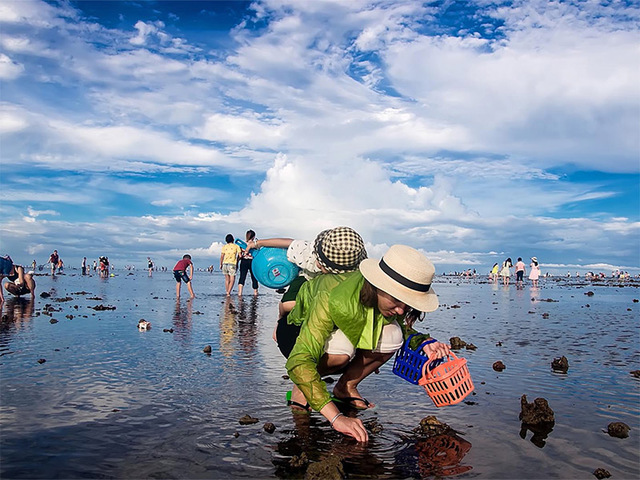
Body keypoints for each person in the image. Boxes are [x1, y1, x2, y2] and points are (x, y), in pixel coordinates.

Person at [285, 245, 451, 443]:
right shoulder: (330, 296)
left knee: (394, 335)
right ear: (377, 285)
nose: (401, 311)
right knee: (342, 351)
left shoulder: (383, 299)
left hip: (344, 324)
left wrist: (423, 341)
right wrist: (337, 418)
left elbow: (398, 324)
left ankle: (345, 387)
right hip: (296, 331)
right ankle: (301, 387)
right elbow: (300, 360)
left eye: (408, 305)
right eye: (397, 301)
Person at [273, 227, 368, 358]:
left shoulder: (351, 280)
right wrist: (257, 244)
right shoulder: (309, 252)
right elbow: (288, 243)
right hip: (305, 279)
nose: (318, 265)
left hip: (323, 293)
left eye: (323, 264)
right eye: (319, 260)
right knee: (286, 306)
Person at [237, 230, 259, 297]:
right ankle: (255, 292)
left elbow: (239, 254)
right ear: (253, 236)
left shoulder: (242, 244)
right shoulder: (255, 244)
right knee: (254, 277)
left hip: (244, 261)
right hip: (252, 261)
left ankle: (240, 293)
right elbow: (258, 253)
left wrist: (237, 262)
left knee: (242, 277)